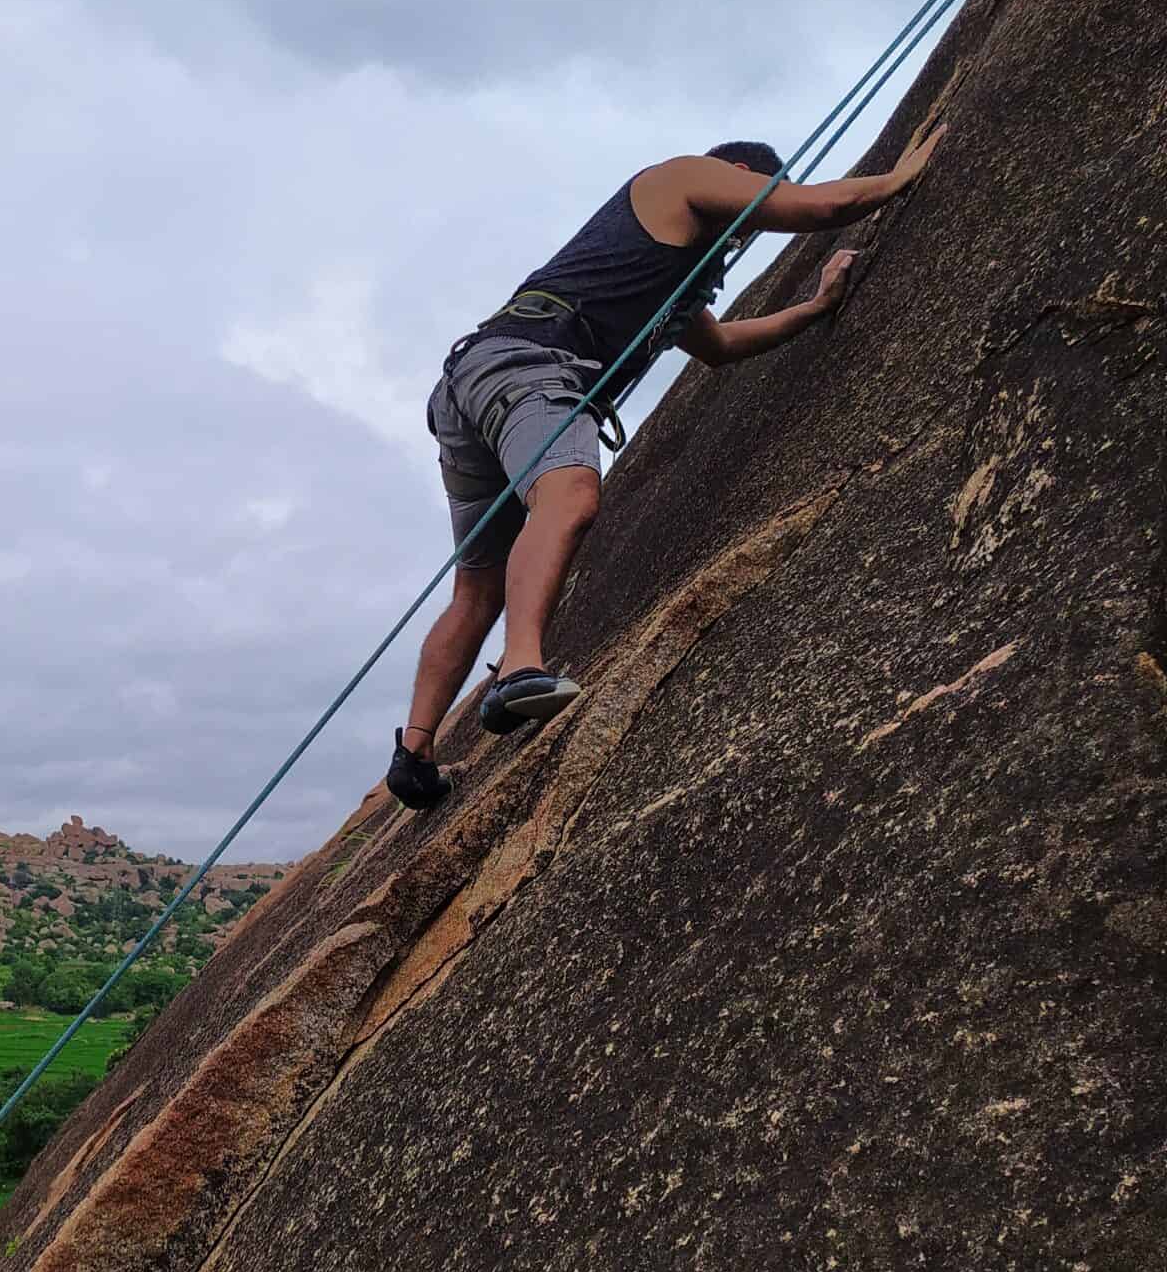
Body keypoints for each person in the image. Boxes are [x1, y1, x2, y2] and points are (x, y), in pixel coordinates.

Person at [385, 124, 947, 810]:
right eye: (755, 200)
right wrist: (902, 174)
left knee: (477, 590)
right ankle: (520, 669)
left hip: (474, 383)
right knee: (569, 496)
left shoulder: (674, 274)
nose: (745, 234)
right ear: (741, 175)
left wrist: (816, 306)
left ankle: (415, 758)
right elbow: (821, 205)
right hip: (531, 367)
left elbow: (720, 346)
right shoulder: (682, 177)